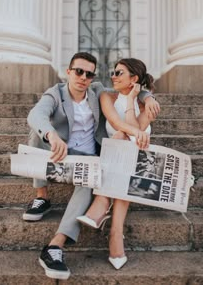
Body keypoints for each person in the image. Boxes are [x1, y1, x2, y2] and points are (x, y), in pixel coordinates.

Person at [24, 52, 160, 280]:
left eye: (89, 74)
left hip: (88, 157)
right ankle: (42, 196)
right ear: (68, 71)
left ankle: (55, 247)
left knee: (92, 176)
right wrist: (52, 135)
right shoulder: (55, 93)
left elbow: (132, 89)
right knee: (37, 133)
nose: (83, 77)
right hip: (60, 151)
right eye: (78, 71)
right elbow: (36, 114)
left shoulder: (97, 91)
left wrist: (148, 96)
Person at [76, 58, 156, 271]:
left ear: (134, 79)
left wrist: (132, 101)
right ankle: (115, 233)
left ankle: (103, 202)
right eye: (113, 72)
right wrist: (133, 124)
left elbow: (135, 130)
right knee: (121, 135)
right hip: (114, 155)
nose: (112, 76)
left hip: (138, 160)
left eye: (119, 73)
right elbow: (116, 123)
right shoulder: (106, 96)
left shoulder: (148, 105)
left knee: (126, 140)